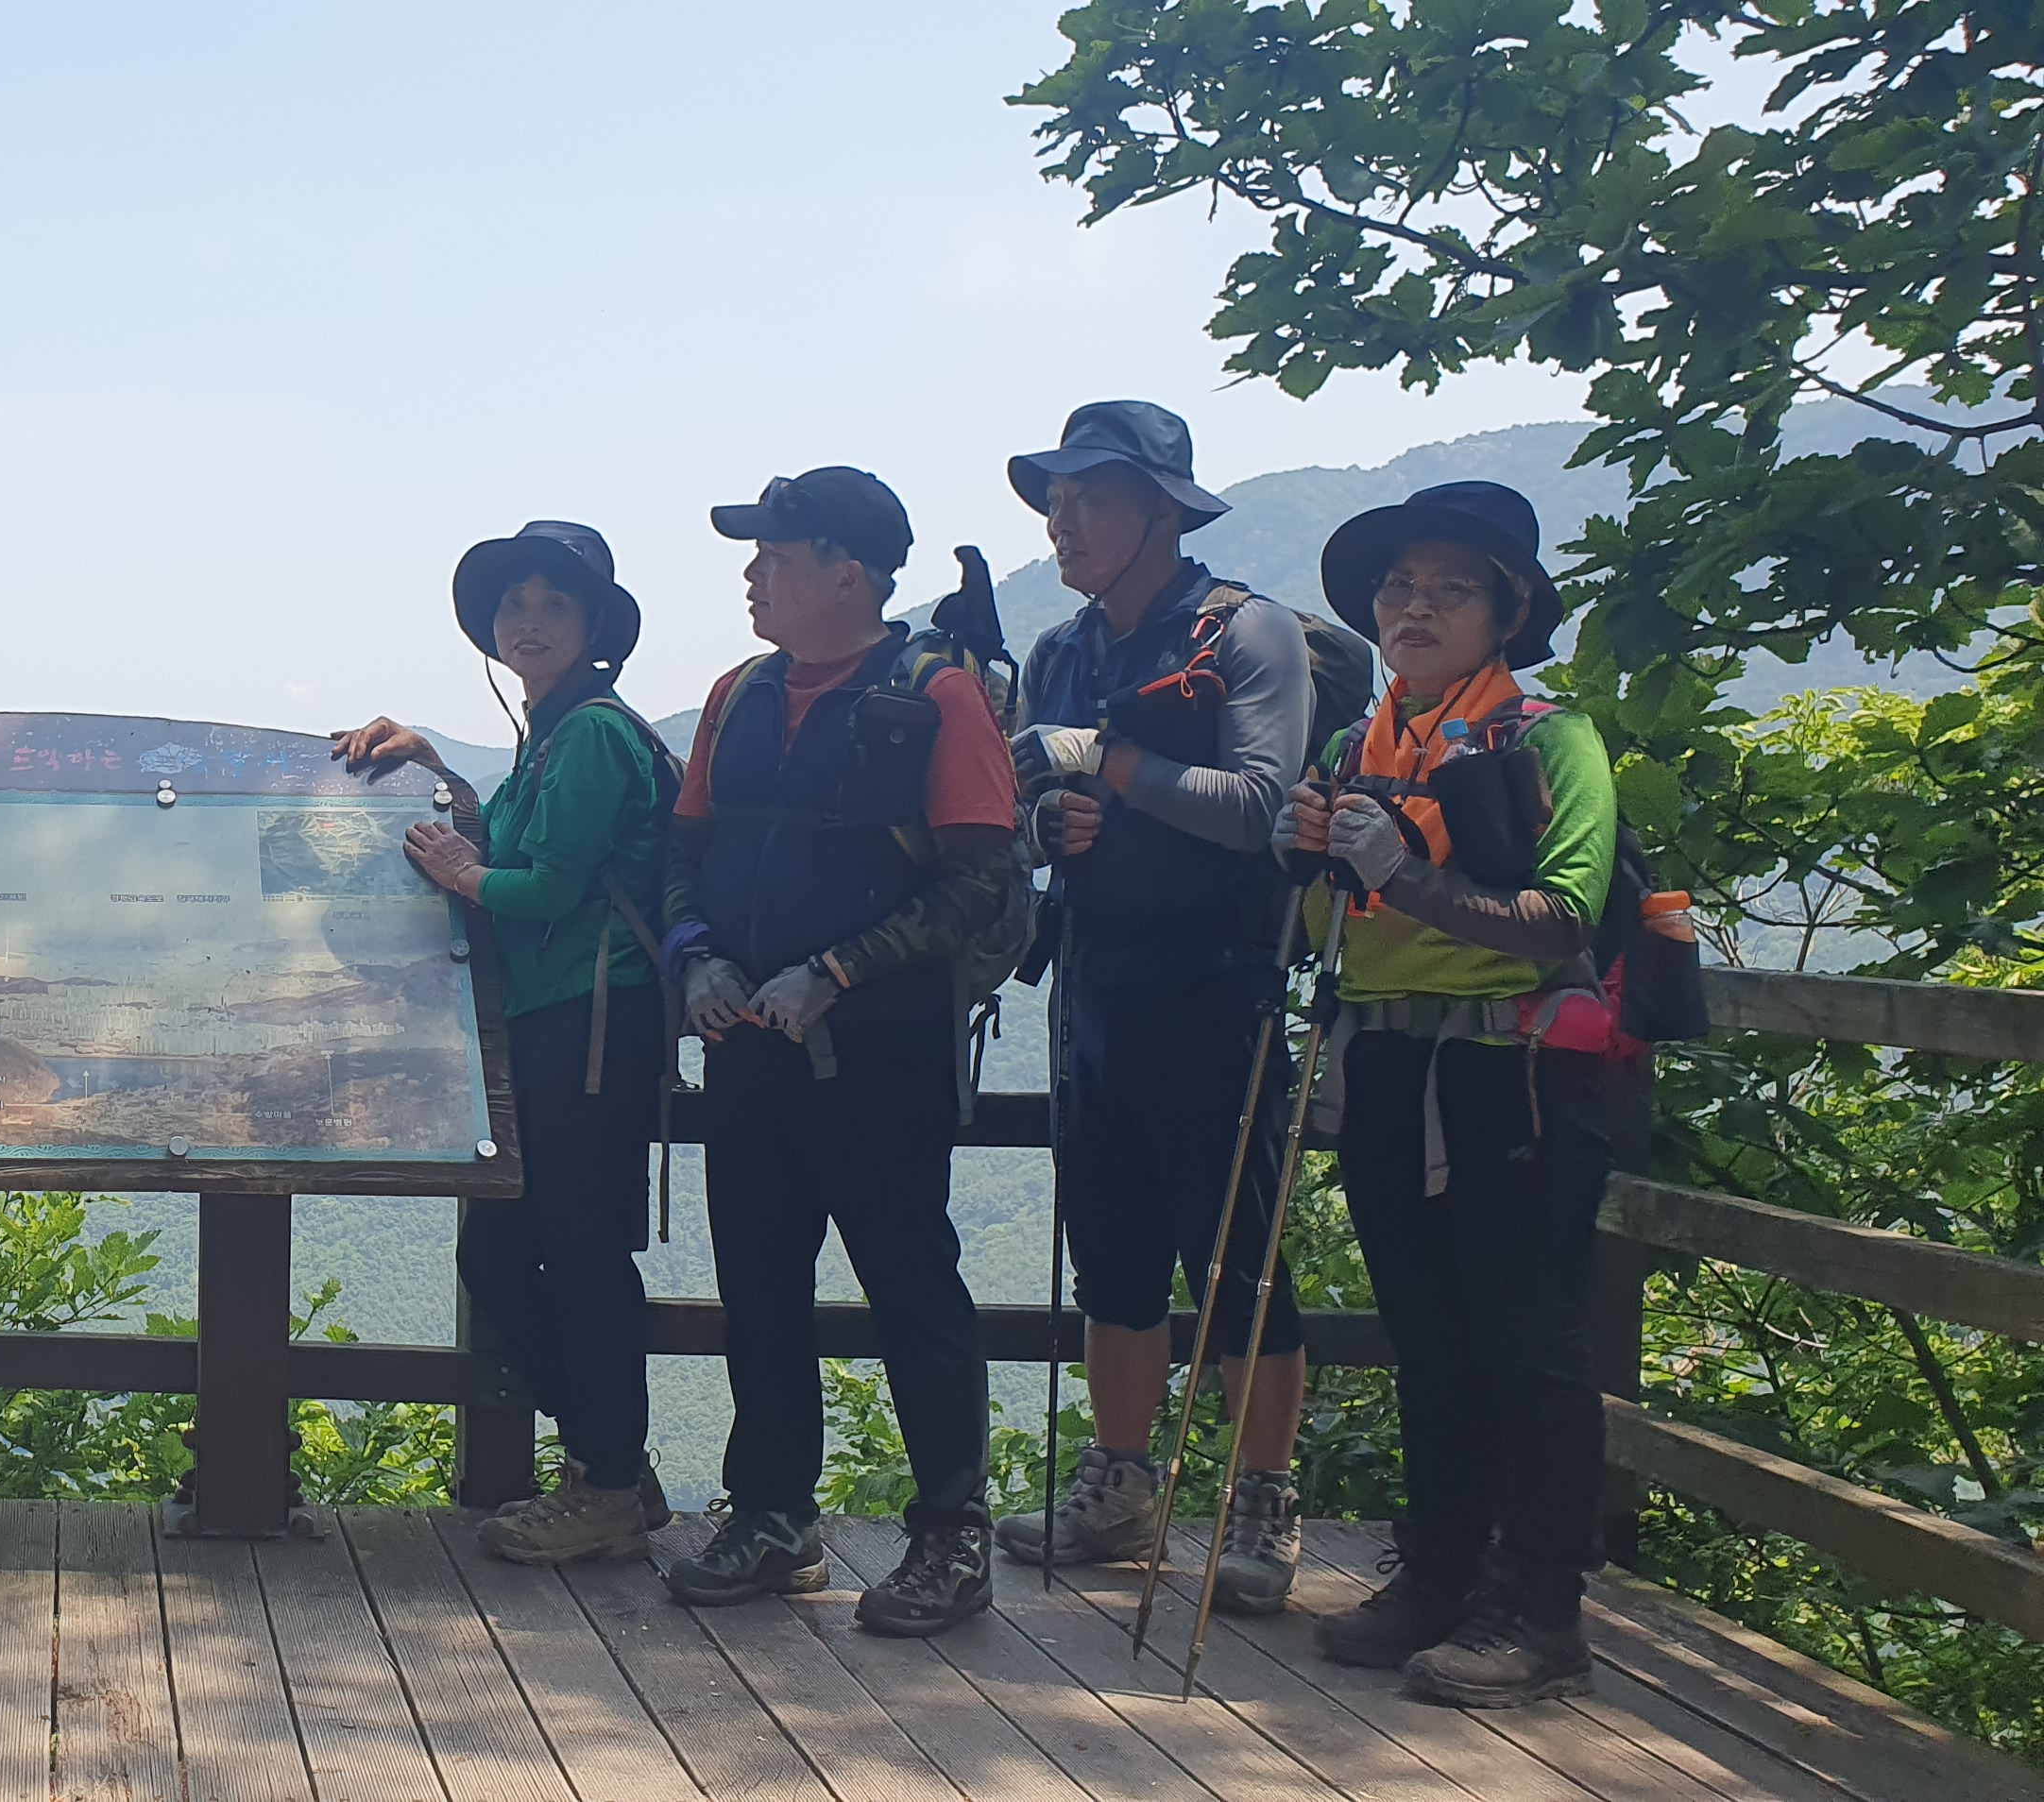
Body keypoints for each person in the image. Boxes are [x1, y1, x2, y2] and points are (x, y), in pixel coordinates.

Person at [653, 468, 1021, 1635]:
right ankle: (772, 1516)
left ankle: (951, 1536)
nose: (752, 574)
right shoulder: (737, 695)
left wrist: (838, 971)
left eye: (775, 554)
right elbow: (682, 855)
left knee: (911, 1287)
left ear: (846, 573)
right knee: (760, 1288)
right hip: (747, 1045)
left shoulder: (937, 697)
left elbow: (983, 879)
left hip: (881, 1054)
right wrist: (695, 959)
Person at [1280, 481, 1614, 1707]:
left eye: (1450, 589)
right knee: (1427, 1336)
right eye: (1398, 587)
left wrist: (1399, 872)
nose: (1413, 608)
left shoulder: (1549, 739)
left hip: (1511, 1070)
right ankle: (1442, 1573)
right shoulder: (1352, 748)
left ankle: (1540, 1609)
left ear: (1507, 612)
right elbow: (1317, 931)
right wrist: (1306, 860)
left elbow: (1564, 917)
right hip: (1387, 1064)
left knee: (1528, 1341)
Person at [988, 401, 1318, 1609]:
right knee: (1113, 1251)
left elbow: (1261, 806)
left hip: (1217, 987)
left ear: (1162, 510)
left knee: (1238, 1257)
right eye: (1056, 501)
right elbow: (1021, 813)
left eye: (1090, 499)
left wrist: (1106, 763)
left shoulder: (1248, 632)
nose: (1063, 523)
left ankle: (1263, 1503)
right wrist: (1048, 823)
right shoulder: (1062, 651)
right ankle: (1121, 1486)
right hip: (1096, 984)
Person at [329, 521, 676, 1566]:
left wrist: (463, 875)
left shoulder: (595, 735)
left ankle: (608, 1484)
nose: (528, 620)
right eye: (514, 604)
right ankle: (613, 1466)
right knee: (507, 1250)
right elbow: (522, 843)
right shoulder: (552, 737)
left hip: (594, 1023)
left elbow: (549, 887)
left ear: (595, 626)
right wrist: (436, 769)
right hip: (555, 1022)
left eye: (554, 604)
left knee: (579, 1252)